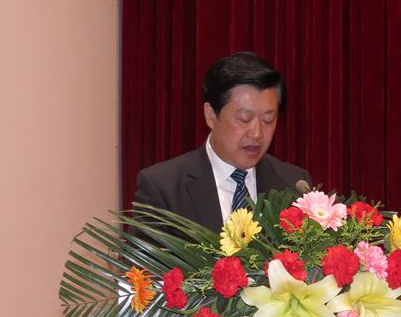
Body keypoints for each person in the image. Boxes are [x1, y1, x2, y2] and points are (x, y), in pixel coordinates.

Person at [133, 51, 310, 232]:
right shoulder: (163, 189)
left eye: (268, 120)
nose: (257, 134)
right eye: (244, 119)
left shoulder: (294, 185)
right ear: (211, 115)